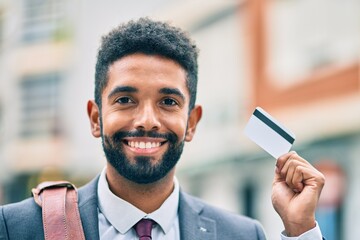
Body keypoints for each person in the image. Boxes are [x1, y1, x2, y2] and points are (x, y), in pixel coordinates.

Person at [0, 18, 325, 240]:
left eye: (168, 102)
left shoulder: (241, 234)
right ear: (96, 118)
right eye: (126, 99)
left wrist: (300, 228)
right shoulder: (19, 227)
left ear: (192, 123)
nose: (146, 120)